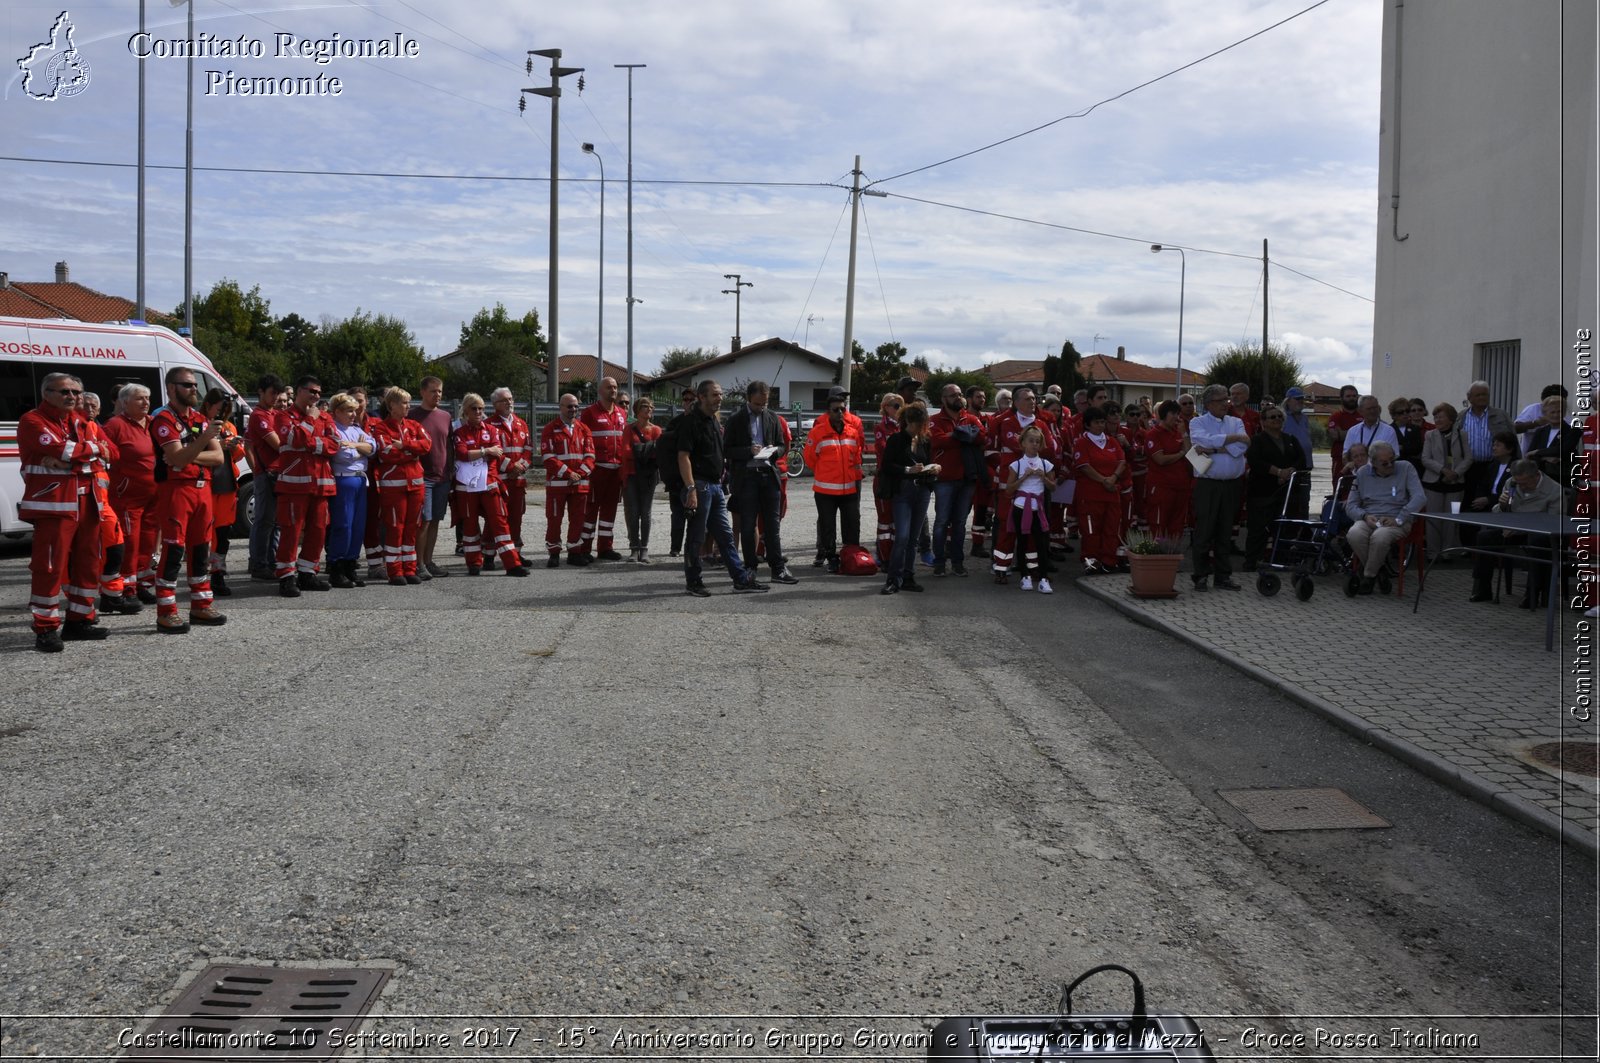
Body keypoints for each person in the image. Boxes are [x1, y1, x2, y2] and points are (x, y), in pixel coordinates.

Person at [19, 373, 110, 651]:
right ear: (47, 394)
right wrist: (92, 451)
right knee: (49, 567)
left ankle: (79, 620)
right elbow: (62, 449)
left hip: (88, 504)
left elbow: (111, 452)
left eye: (75, 392)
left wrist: (77, 457)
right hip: (54, 506)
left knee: (88, 564)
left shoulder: (80, 421)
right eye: (64, 392)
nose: (71, 396)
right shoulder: (32, 420)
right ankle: (45, 629)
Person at [150, 366, 229, 631]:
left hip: (202, 487)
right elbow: (176, 458)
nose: (194, 389)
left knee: (201, 549)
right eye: (187, 385)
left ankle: (201, 605)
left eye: (195, 385)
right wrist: (200, 443)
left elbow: (217, 457)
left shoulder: (198, 418)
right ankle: (166, 611)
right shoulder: (162, 419)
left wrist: (187, 454)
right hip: (176, 490)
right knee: (173, 550)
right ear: (171, 388)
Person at [677, 379, 768, 596]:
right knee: (696, 537)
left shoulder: (714, 422)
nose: (720, 398)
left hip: (715, 487)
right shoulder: (691, 423)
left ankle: (740, 578)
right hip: (700, 487)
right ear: (702, 397)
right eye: (715, 394)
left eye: (720, 394)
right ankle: (694, 581)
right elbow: (683, 457)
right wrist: (691, 489)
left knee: (725, 536)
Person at [722, 380, 797, 583]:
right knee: (747, 525)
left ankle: (778, 569)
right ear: (748, 399)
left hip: (769, 475)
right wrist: (748, 451)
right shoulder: (736, 419)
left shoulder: (772, 417)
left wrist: (773, 450)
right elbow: (726, 449)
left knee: (772, 526)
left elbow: (783, 445)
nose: (761, 407)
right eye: (757, 404)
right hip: (747, 478)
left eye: (764, 404)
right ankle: (750, 567)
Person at [273, 375, 339, 597]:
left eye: (319, 392)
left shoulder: (325, 417)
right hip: (294, 487)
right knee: (291, 532)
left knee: (318, 531)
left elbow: (335, 445)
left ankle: (307, 573)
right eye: (312, 391)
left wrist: (311, 442)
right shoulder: (284, 416)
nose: (316, 396)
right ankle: (286, 577)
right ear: (299, 391)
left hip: (321, 486)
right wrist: (310, 422)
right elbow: (294, 439)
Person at [452, 393, 529, 576]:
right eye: (474, 408)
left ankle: (512, 565)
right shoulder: (459, 433)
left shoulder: (491, 430)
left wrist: (478, 453)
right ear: (465, 411)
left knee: (500, 523)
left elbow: (497, 453)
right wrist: (486, 450)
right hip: (467, 487)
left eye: (481, 408)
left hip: (490, 484)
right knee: (470, 528)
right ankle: (473, 564)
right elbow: (462, 453)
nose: (478, 412)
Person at [1469, 459, 1563, 606]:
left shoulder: (1554, 490)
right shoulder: (1511, 483)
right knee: (1484, 537)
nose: (1522, 487)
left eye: (1525, 483)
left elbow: (1552, 523)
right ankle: (1482, 588)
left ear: (1536, 475)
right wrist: (1501, 505)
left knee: (1537, 542)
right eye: (1518, 483)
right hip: (1512, 529)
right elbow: (1501, 515)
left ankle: (1532, 593)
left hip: (1539, 533)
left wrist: (1518, 529)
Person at [1187, 384, 1249, 591]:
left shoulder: (1236, 421)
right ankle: (1201, 574)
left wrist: (1214, 448)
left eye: (1227, 399)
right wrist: (1229, 442)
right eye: (1221, 400)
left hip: (1231, 484)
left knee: (1225, 531)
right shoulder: (1198, 422)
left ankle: (1223, 576)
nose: (1226, 403)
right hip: (1208, 484)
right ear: (1209, 403)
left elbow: (1243, 446)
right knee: (1204, 530)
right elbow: (1200, 442)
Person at [103, 382, 159, 606]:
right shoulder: (115, 425)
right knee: (130, 542)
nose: (145, 402)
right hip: (128, 497)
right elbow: (103, 450)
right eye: (140, 398)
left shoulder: (153, 423)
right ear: (125, 402)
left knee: (148, 540)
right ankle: (126, 588)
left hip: (154, 495)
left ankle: (144, 583)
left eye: (147, 398)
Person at [1343, 441, 1425, 595]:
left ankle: (1369, 577)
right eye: (1384, 463)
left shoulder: (1406, 468)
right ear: (1372, 463)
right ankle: (1380, 570)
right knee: (1354, 534)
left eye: (1392, 460)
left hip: (1397, 518)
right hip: (1370, 517)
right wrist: (1365, 516)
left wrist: (1399, 518)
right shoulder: (1362, 473)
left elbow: (1420, 497)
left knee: (1380, 537)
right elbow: (1351, 506)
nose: (1390, 465)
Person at [370, 386, 431, 585]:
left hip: (415, 485)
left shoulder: (414, 425)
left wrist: (404, 446)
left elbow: (426, 446)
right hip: (393, 487)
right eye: (404, 403)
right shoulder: (381, 428)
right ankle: (395, 571)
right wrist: (412, 452)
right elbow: (386, 454)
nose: (408, 406)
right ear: (392, 405)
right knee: (395, 527)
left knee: (412, 527)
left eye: (408, 402)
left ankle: (409, 568)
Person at [878, 401, 938, 594]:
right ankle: (893, 579)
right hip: (903, 491)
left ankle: (908, 576)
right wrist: (907, 469)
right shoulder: (896, 439)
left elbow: (929, 462)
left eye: (923, 425)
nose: (920, 429)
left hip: (922, 491)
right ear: (908, 422)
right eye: (917, 425)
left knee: (913, 539)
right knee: (902, 536)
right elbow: (886, 465)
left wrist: (935, 468)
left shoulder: (925, 440)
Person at [803, 385, 866, 569]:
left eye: (843, 408)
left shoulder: (853, 428)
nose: (840, 412)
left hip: (849, 487)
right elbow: (810, 458)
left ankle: (851, 555)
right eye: (836, 409)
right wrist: (827, 472)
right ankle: (829, 555)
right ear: (828, 410)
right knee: (827, 525)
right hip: (826, 489)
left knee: (852, 522)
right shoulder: (818, 429)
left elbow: (857, 454)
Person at [1243, 405, 1309, 571]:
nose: (1277, 419)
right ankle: (1251, 564)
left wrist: (1290, 472)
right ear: (1263, 421)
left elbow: (1301, 459)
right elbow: (1255, 461)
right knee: (1258, 530)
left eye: (1279, 416)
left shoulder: (1291, 439)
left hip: (1287, 493)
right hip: (1262, 492)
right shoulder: (1257, 440)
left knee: (1285, 529)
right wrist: (1278, 472)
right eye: (1272, 417)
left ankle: (1281, 562)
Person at [928, 383, 984, 577]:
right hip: (944, 479)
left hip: (967, 478)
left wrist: (957, 435)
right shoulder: (934, 420)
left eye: (960, 394)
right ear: (943, 399)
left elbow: (982, 437)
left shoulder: (971, 418)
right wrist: (963, 434)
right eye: (953, 395)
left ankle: (958, 563)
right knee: (942, 521)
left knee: (960, 523)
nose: (958, 398)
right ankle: (939, 562)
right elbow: (937, 440)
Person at [324, 393, 377, 588]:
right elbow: (342, 455)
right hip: (343, 480)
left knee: (357, 526)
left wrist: (355, 445)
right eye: (348, 410)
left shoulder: (355, 430)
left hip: (360, 480)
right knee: (343, 525)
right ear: (336, 411)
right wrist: (361, 449)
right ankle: (336, 565)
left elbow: (373, 448)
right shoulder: (333, 429)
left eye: (354, 410)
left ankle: (350, 564)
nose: (353, 414)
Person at [575, 376, 629, 562]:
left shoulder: (622, 413)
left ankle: (605, 548)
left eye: (615, 387)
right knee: (590, 509)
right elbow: (581, 440)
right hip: (597, 469)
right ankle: (584, 548)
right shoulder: (590, 413)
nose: (613, 390)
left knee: (609, 510)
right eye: (609, 387)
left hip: (616, 470)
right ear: (600, 391)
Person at [199, 389, 246, 596]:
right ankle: (200, 575)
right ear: (209, 405)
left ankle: (218, 573)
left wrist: (235, 446)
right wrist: (219, 445)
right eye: (221, 407)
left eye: (226, 408)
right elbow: (191, 447)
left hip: (227, 485)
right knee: (203, 533)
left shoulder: (228, 426)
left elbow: (236, 457)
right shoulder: (197, 423)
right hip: (206, 485)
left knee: (223, 533)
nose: (224, 411)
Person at [540, 393, 596, 567]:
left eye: (576, 406)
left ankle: (574, 552)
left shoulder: (584, 429)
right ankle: (554, 553)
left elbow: (591, 456)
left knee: (578, 519)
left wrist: (579, 474)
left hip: (579, 485)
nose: (573, 410)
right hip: (558, 485)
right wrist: (568, 474)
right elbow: (548, 458)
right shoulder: (550, 429)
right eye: (569, 406)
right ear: (560, 407)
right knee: (554, 519)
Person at [408, 375, 454, 579]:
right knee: (424, 522)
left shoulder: (445, 416)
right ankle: (418, 564)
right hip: (421, 477)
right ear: (422, 392)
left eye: (440, 391)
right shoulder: (412, 416)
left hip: (442, 477)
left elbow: (449, 445)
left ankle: (428, 560)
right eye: (433, 391)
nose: (437, 395)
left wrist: (450, 470)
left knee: (435, 520)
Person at [1072, 405, 1125, 577]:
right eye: (1096, 422)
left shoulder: (1112, 441)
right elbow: (1085, 466)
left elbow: (1122, 461)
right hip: (1090, 495)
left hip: (1111, 494)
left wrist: (1114, 478)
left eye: (1103, 422)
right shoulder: (1081, 443)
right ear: (1087, 425)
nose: (1101, 425)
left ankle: (1109, 562)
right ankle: (1091, 562)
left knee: (1111, 529)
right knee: (1090, 531)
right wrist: (1104, 480)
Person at [1005, 425, 1057, 592]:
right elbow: (1009, 489)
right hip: (1021, 507)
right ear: (1023, 443)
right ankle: (1024, 576)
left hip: (1038, 508)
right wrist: (1025, 476)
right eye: (1031, 441)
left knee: (1042, 543)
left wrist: (1043, 477)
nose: (1034, 444)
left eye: (1038, 441)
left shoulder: (1046, 464)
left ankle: (1043, 578)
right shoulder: (1017, 465)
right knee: (1022, 541)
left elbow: (1053, 487)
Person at [246, 373, 287, 580]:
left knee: (276, 522)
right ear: (261, 392)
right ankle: (259, 563)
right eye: (272, 393)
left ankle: (270, 561)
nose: (275, 398)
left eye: (278, 394)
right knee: (264, 520)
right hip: (267, 473)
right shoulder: (259, 415)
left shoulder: (275, 414)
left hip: (278, 472)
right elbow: (279, 444)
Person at [1452, 380, 1514, 517]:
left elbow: (1512, 437)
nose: (1482, 398)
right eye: (1478, 395)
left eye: (1484, 395)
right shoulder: (1462, 416)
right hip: (1469, 468)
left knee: (1491, 502)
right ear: (1469, 398)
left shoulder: (1500, 415)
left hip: (1493, 465)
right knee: (1469, 504)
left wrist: (1515, 461)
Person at [487, 387, 534, 561]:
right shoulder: (490, 424)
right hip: (500, 480)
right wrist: (510, 467)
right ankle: (489, 555)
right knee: (496, 519)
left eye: (511, 399)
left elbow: (528, 449)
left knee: (516, 518)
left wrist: (521, 467)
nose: (509, 403)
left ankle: (516, 555)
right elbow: (493, 452)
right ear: (495, 404)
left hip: (518, 481)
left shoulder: (521, 423)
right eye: (504, 400)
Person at [1420, 402, 1466, 560]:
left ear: (1451, 419)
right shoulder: (1430, 435)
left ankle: (1448, 550)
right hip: (1434, 483)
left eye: (1441, 416)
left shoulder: (1462, 435)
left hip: (1456, 484)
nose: (1437, 420)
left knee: (1452, 518)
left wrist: (1456, 473)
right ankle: (1433, 552)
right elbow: (1425, 459)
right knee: (1433, 519)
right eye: (1435, 417)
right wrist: (1443, 469)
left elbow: (1468, 458)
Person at [620, 397, 663, 563]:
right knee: (633, 512)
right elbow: (626, 452)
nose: (649, 409)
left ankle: (644, 547)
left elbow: (658, 453)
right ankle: (634, 547)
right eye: (645, 406)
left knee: (646, 512)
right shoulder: (629, 429)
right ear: (637, 410)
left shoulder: (657, 430)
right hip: (631, 474)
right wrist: (648, 449)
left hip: (649, 476)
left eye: (651, 407)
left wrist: (640, 451)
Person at [1143, 400, 1192, 543]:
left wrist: (1184, 435)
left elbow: (1190, 453)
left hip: (1181, 488)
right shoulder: (1154, 434)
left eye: (1178, 414)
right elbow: (1160, 459)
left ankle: (1171, 561)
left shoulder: (1179, 433)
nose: (1177, 417)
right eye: (1173, 413)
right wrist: (1180, 454)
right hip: (1161, 489)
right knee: (1158, 526)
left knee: (1177, 528)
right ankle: (1156, 561)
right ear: (1164, 414)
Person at [662, 387, 698, 557]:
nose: (688, 402)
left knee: (696, 517)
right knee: (677, 515)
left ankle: (693, 549)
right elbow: (667, 451)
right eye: (685, 400)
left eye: (692, 399)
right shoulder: (675, 423)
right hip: (677, 478)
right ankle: (675, 547)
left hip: (698, 478)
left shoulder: (704, 421)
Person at [871, 393, 905, 569]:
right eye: (895, 405)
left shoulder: (905, 427)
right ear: (885, 407)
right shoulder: (880, 428)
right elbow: (884, 453)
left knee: (899, 521)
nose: (899, 409)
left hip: (901, 479)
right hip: (885, 480)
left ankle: (897, 557)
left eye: (901, 405)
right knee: (885, 521)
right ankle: (885, 558)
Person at [1524, 392, 1582, 490]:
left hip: (1562, 480)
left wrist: (1538, 452)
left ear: (1564, 413)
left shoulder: (1573, 430)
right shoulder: (1540, 431)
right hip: (1540, 480)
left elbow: (1563, 450)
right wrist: (1546, 457)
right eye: (1552, 412)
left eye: (1559, 411)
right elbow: (1529, 454)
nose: (1556, 415)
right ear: (1545, 414)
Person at [1325, 384, 1362, 482]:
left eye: (1354, 396)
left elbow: (1341, 435)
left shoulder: (1363, 416)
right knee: (1340, 488)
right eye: (1348, 396)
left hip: (1361, 459)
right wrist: (1358, 432)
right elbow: (1335, 436)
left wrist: (1343, 433)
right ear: (1341, 398)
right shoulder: (1335, 416)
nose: (1352, 399)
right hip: (1340, 459)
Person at [1390, 396, 1425, 481]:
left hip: (1413, 468)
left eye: (1407, 411)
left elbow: (1418, 448)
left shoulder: (1414, 428)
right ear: (1394, 415)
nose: (1405, 414)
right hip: (1395, 469)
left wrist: (1402, 447)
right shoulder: (1389, 430)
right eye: (1401, 412)